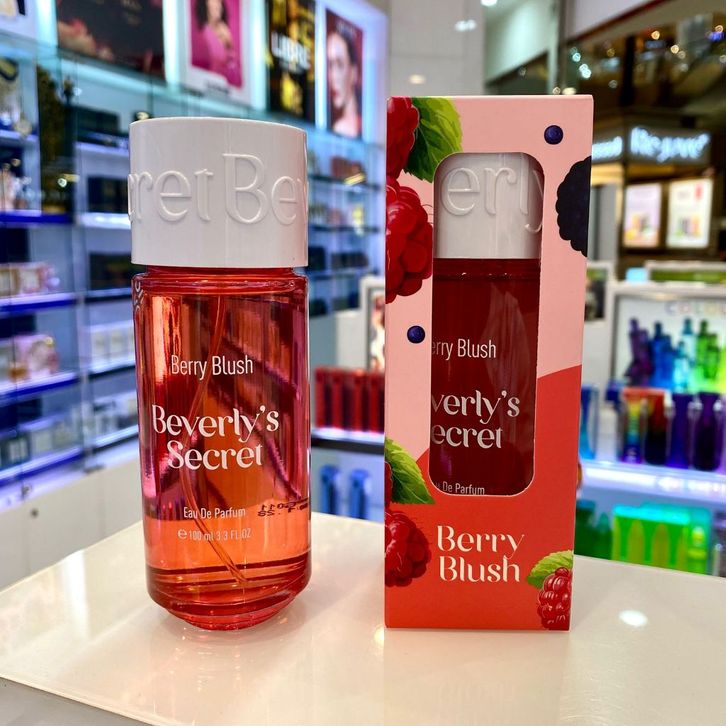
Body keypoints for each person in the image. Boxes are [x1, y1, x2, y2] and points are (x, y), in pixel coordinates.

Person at [193, 0, 241, 88]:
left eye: (219, 2)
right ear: (205, 5)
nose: (217, 5)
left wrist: (229, 44)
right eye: (214, 3)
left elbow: (235, 67)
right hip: (211, 85)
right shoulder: (204, 34)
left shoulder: (224, 30)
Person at [327, 25, 361, 138]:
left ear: (353, 72)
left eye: (340, 64)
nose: (333, 77)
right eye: (330, 65)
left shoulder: (342, 127)